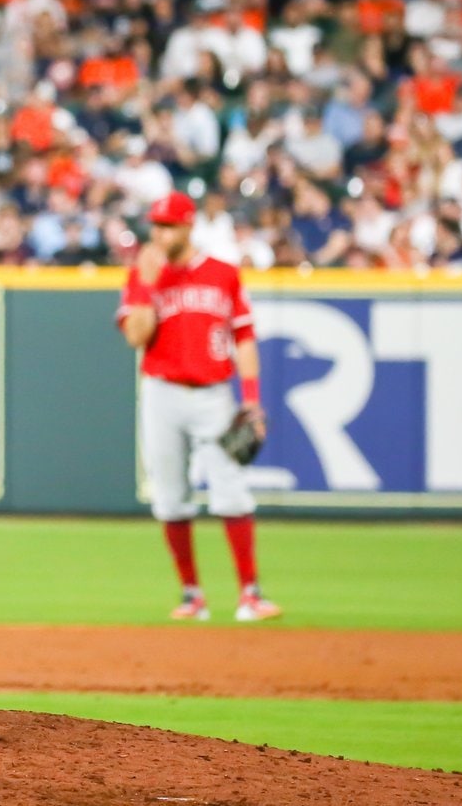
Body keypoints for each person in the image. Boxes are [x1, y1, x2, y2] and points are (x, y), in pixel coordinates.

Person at [115, 191, 282, 623]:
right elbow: (135, 337)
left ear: (189, 226)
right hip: (161, 392)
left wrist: (251, 399)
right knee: (170, 497)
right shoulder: (143, 273)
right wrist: (149, 285)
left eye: (168, 225)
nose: (159, 233)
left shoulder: (222, 273)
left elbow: (243, 336)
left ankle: (250, 593)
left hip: (213, 394)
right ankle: (192, 595)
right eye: (155, 224)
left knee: (231, 490)